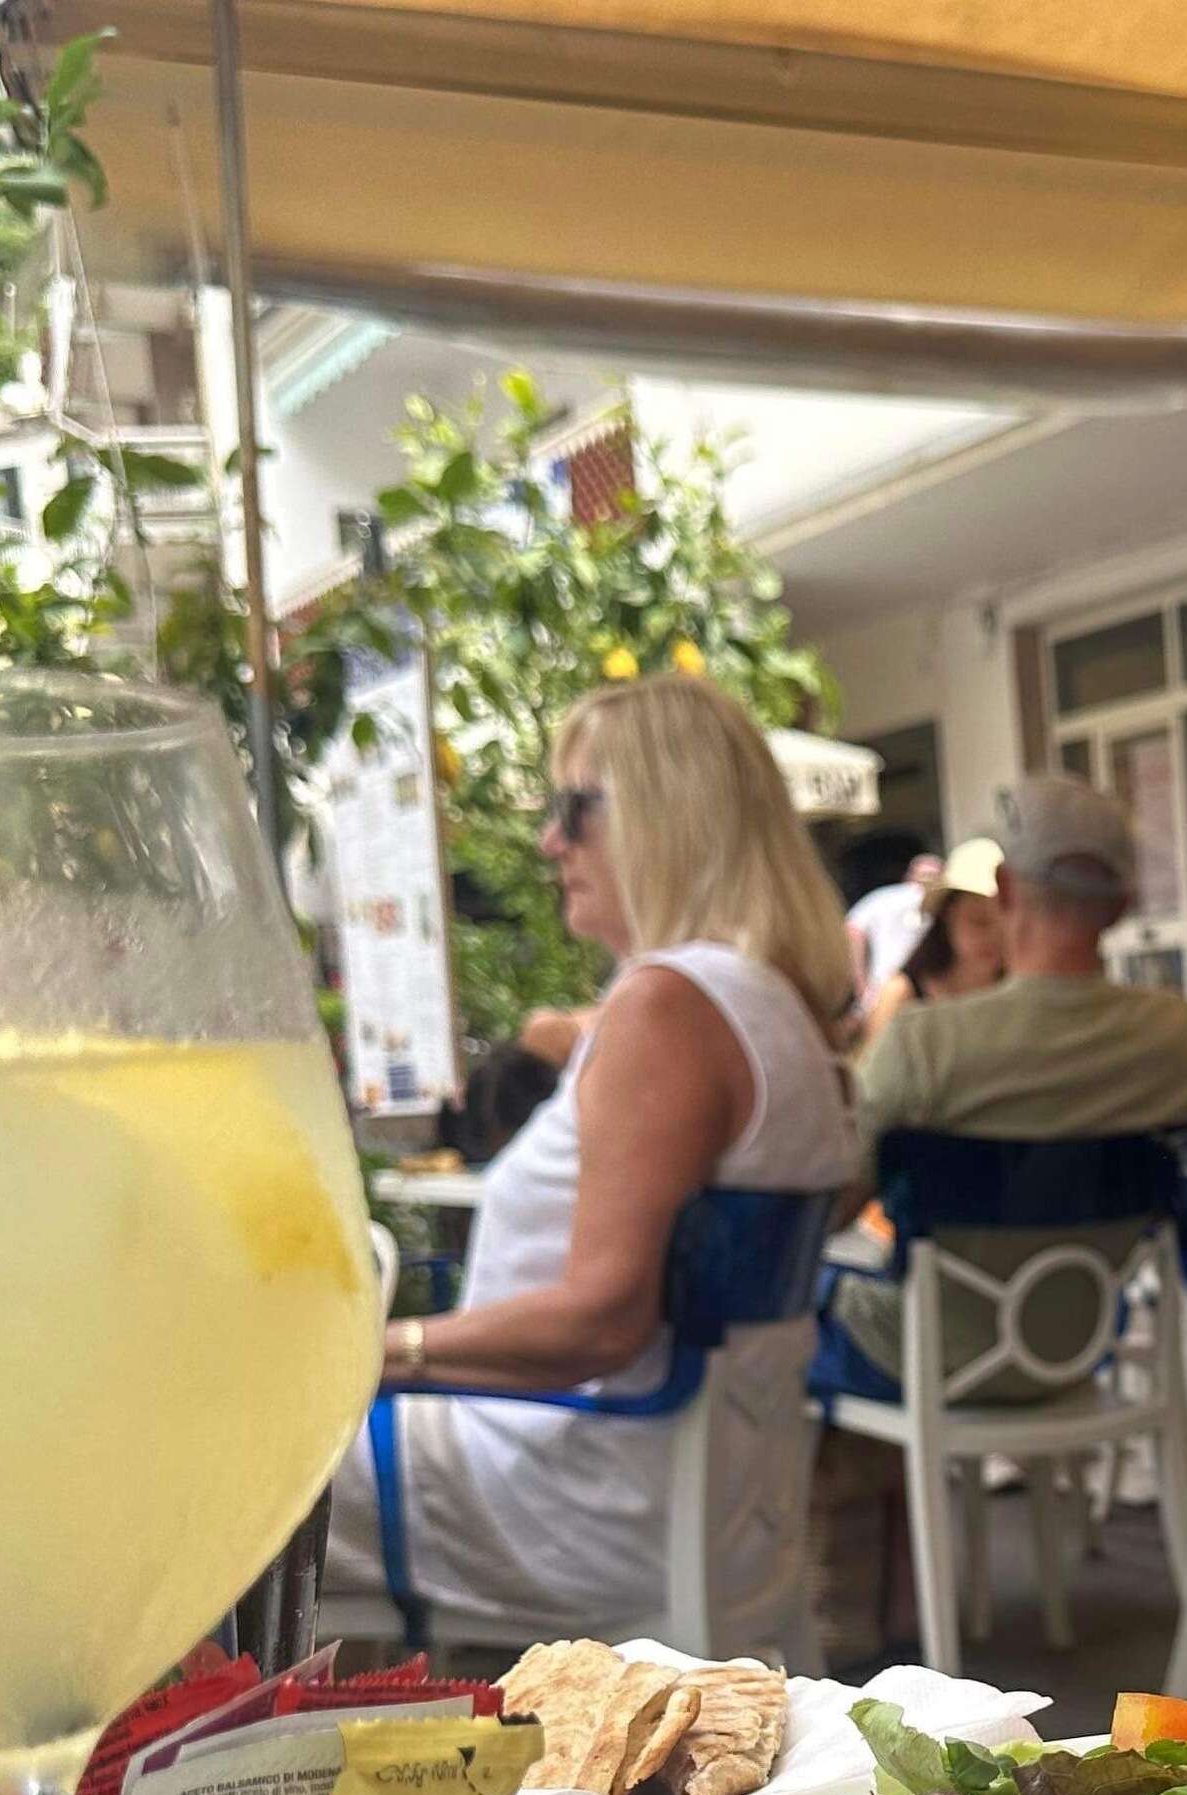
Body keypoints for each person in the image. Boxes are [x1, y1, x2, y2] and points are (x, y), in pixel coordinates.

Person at [328, 674, 858, 1657]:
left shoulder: (668, 1008)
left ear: (668, 814)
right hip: (713, 1504)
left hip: (568, 1499)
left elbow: (602, 1319)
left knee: (208, 1487)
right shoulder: (777, 1007)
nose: (549, 842)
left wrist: (369, 1357)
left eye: (573, 808)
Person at [814, 774, 1187, 1407]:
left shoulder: (925, 1043)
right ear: (1121, 906)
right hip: (1081, 1351)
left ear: (1003, 891)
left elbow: (832, 1204)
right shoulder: (1175, 1038)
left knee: (777, 1315)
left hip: (925, 1361)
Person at [848, 836, 1005, 1053]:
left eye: (1005, 923)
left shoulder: (1021, 986)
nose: (995, 937)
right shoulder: (901, 994)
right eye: (979, 922)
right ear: (947, 917)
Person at [843, 849, 941, 1005]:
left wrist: (860, 983)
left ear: (909, 876)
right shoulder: (943, 902)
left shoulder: (881, 898)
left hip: (881, 986)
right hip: (929, 990)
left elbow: (852, 931)